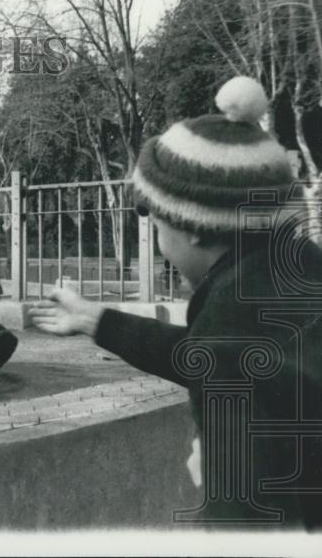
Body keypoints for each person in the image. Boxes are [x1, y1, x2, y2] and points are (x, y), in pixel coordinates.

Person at [30, 76, 322, 530]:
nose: (159, 241)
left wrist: (224, 474)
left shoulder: (230, 320)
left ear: (197, 227)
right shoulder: (296, 269)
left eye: (156, 220)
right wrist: (97, 320)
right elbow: (209, 352)